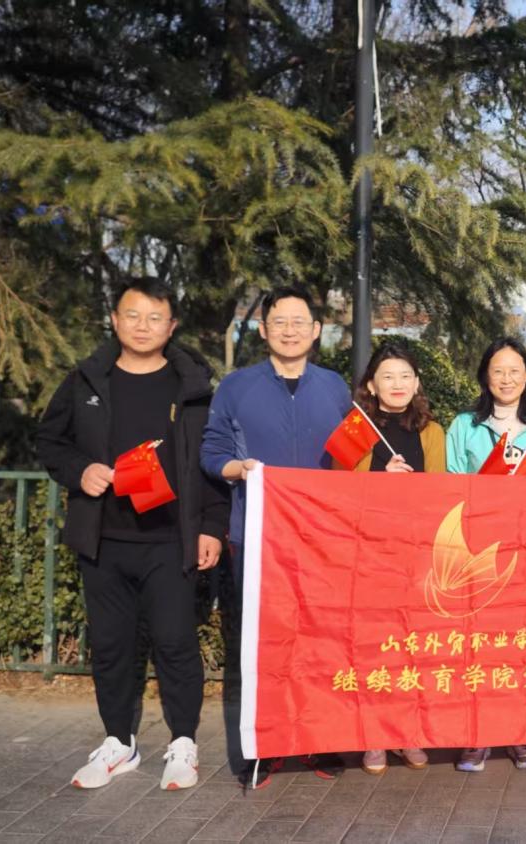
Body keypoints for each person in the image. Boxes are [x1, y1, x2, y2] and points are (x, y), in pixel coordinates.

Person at [37, 279, 229, 791]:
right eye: (133, 315)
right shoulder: (85, 381)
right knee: (111, 647)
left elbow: (210, 462)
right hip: (103, 540)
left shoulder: (192, 388)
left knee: (175, 642)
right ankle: (119, 743)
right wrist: (80, 471)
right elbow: (50, 441)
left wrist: (212, 527)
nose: (143, 326)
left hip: (170, 540)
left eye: (154, 317)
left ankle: (183, 743)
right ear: (115, 320)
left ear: (172, 326)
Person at [200, 286, 351, 789]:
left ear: (316, 330)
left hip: (323, 538)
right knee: (264, 643)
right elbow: (212, 453)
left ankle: (319, 739)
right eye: (279, 322)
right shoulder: (236, 387)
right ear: (263, 330)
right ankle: (265, 746)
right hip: (258, 534)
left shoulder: (334, 387)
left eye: (299, 322)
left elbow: (351, 455)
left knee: (321, 641)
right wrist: (238, 469)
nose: (290, 331)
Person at [445, 336, 526, 771]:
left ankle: (521, 732)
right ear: (485, 376)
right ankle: (476, 735)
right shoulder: (464, 425)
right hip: (478, 549)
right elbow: (450, 484)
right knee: (477, 643)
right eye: (498, 370)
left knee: (523, 641)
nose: (507, 378)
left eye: (515, 370)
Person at [335, 342, 445, 774]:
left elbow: (440, 493)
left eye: (405, 376)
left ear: (416, 383)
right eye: (387, 376)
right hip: (370, 555)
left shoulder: (432, 432)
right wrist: (380, 479)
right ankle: (374, 736)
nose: (397, 384)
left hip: (417, 555)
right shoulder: (355, 427)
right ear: (370, 385)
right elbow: (338, 490)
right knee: (374, 648)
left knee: (414, 648)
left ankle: (408, 731)